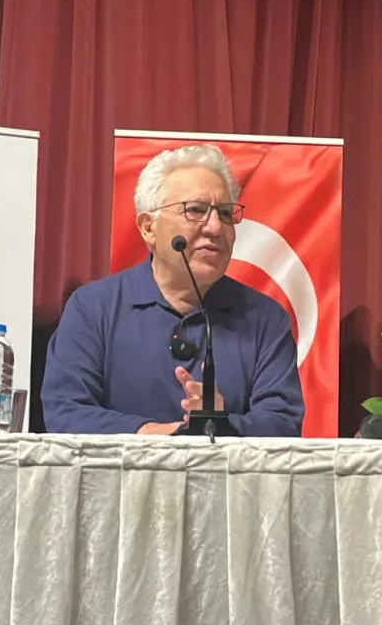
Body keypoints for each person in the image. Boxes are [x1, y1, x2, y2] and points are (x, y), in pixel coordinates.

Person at [41, 144, 304, 437]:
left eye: (225, 213)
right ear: (148, 227)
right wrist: (158, 435)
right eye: (195, 210)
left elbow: (283, 424)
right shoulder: (93, 308)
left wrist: (223, 426)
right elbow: (66, 412)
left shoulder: (265, 319)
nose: (216, 227)